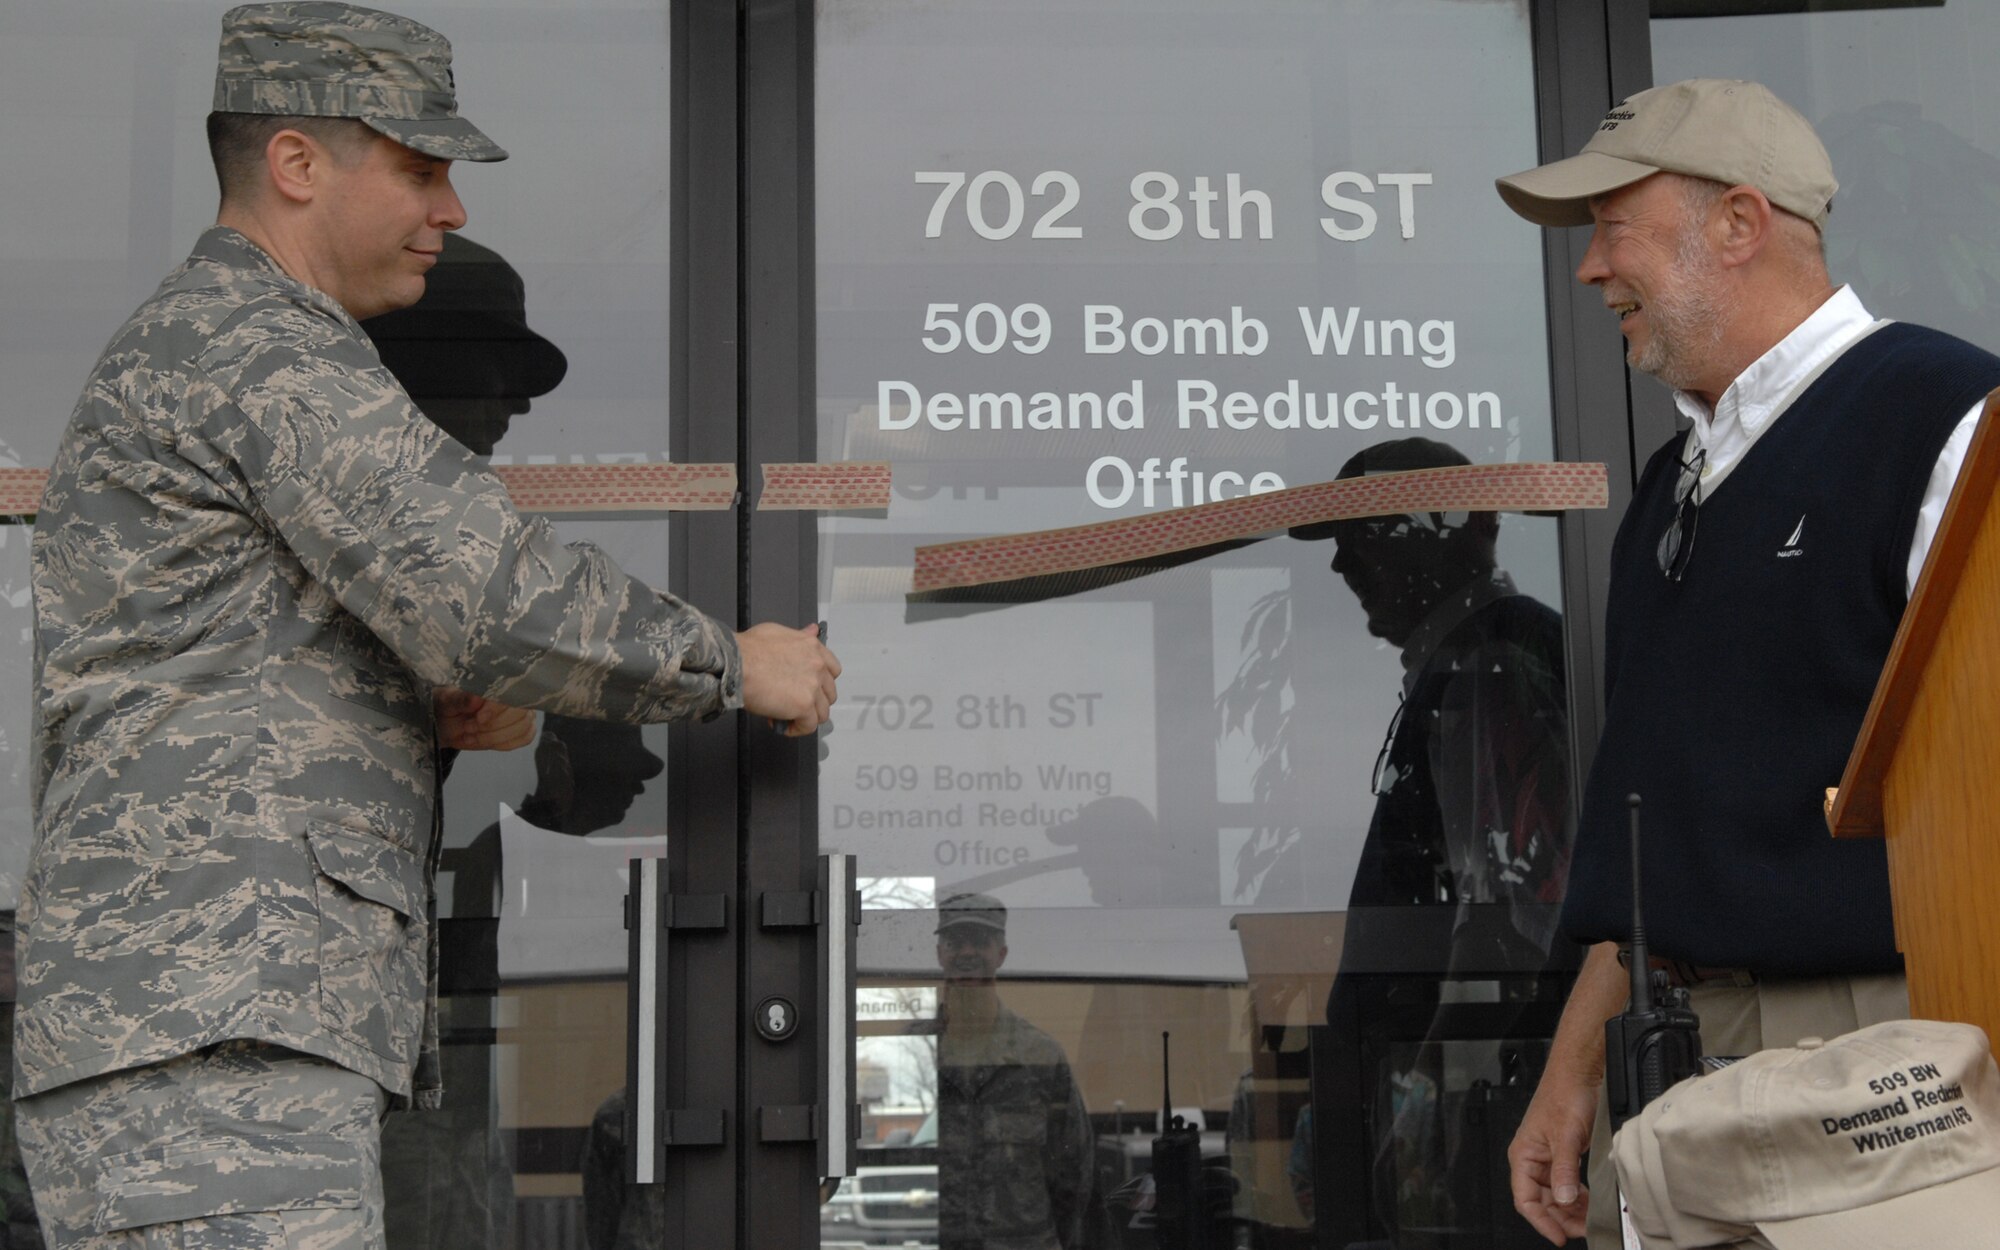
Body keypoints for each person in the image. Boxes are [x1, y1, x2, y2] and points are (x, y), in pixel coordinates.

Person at [17, 6, 839, 1250]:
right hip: (215, 1029)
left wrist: (415, 713)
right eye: (418, 168)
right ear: (297, 163)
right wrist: (735, 662)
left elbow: (234, 665)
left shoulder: (219, 342)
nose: (449, 208)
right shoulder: (256, 343)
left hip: (205, 1021)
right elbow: (486, 594)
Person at [1491, 78, 2000, 1248]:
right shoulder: (1669, 492)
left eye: (1611, 227)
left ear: (1736, 222)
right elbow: (1654, 827)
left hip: (1889, 1051)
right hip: (1686, 1048)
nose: (1588, 268)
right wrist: (1572, 1070)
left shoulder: (1946, 419)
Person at [1292, 438, 1573, 1244]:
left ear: (1459, 528)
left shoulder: (1492, 666)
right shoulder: (1474, 660)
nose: (1343, 563)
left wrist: (1421, 1090)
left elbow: (1505, 928)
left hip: (1489, 1102)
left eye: (1366, 533)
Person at [931, 893, 1093, 1250]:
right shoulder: (920, 1049)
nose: (967, 953)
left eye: (980, 942)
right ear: (940, 953)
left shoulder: (1039, 1056)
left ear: (1001, 954)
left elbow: (1074, 1174)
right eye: (956, 942)